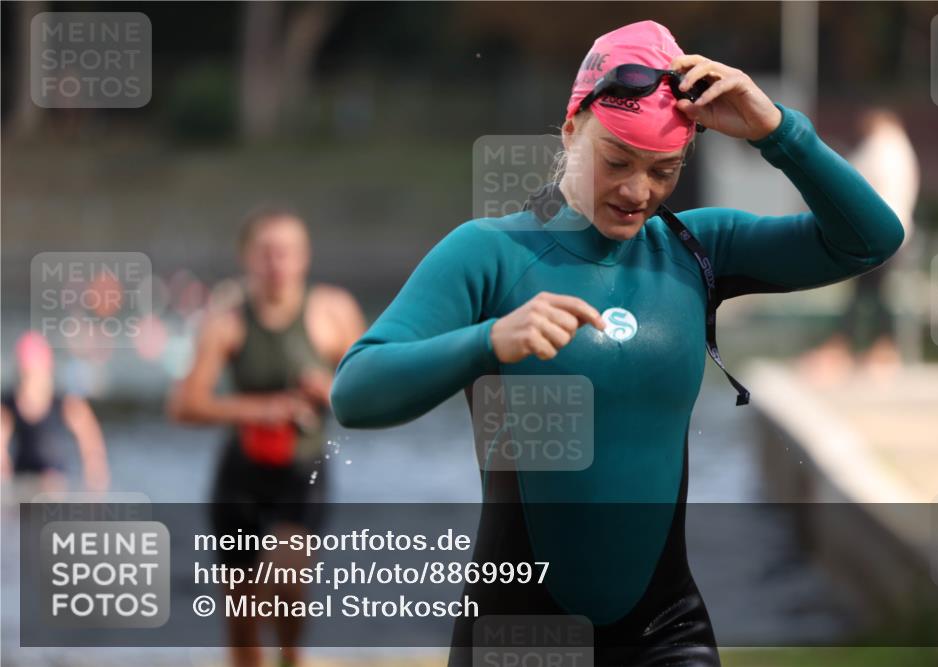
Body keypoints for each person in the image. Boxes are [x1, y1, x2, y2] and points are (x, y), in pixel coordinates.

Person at [331, 20, 903, 666]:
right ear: (572, 128)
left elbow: (870, 239)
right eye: (617, 162)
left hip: (666, 633)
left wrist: (778, 131)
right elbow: (355, 390)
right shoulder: (488, 253)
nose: (638, 192)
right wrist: (488, 340)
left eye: (663, 170)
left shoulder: (695, 248)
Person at [167, 207, 366, 667]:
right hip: (242, 475)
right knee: (242, 618)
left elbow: (373, 389)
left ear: (304, 257)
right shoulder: (227, 323)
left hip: (304, 470)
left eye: (287, 252)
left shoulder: (333, 311)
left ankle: (293, 655)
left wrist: (333, 387)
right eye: (267, 253)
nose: (277, 263)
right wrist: (261, 408)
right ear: (247, 259)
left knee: (289, 575)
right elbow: (183, 405)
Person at [799, 107, 920, 383]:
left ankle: (857, 349)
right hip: (892, 233)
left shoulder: (883, 147)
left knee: (869, 296)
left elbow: (854, 177)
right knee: (870, 295)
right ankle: (868, 349)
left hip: (880, 235)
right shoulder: (899, 148)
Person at [1, 331, 109, 496]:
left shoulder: (65, 403)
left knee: (50, 487)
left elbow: (90, 441)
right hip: (22, 475)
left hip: (54, 478)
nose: (32, 382)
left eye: (36, 374)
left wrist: (95, 478)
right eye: (27, 375)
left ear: (47, 372)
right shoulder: (9, 404)